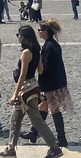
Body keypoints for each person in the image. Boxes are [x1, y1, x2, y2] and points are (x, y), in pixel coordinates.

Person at [0, 25, 63, 158]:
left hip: (25, 91)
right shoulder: (36, 50)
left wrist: (14, 94)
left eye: (18, 34)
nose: (17, 37)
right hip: (33, 87)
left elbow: (22, 76)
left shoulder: (26, 53)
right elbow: (39, 70)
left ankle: (54, 147)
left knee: (37, 120)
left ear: (23, 37)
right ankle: (11, 148)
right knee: (15, 119)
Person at [22, 19, 74, 147]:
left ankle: (61, 138)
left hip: (51, 85)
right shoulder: (51, 44)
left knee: (54, 110)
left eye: (39, 30)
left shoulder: (49, 47)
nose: (38, 32)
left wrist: (36, 63)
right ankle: (34, 133)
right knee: (43, 107)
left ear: (45, 32)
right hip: (54, 82)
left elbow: (47, 67)